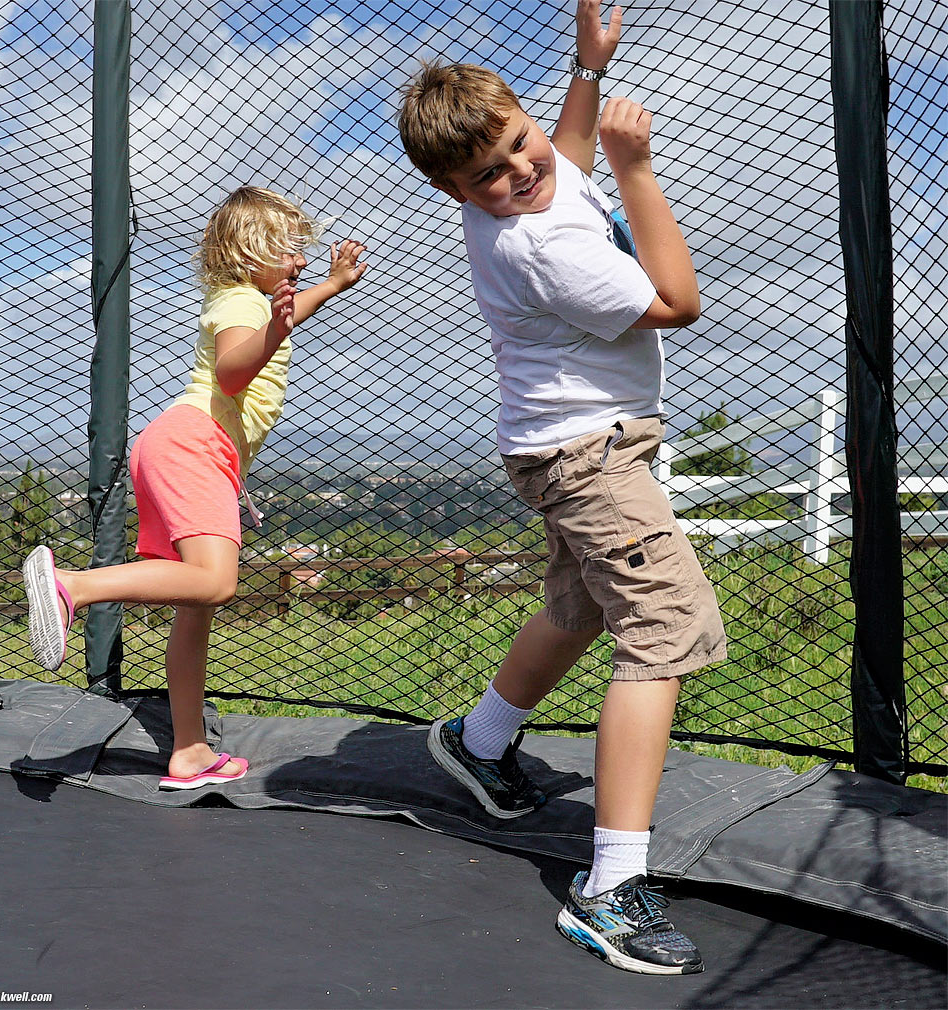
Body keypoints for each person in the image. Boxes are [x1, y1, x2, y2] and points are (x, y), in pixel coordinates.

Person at [397, 0, 725, 976]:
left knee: (577, 604)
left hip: (555, 444)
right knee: (664, 625)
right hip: (590, 458)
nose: (517, 175)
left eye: (517, 145)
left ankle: (479, 738)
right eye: (485, 177)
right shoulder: (543, 245)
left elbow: (563, 157)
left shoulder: (527, 189)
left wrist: (584, 71)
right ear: (452, 190)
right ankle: (610, 885)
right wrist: (640, 170)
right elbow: (676, 301)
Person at [22, 186, 368, 790]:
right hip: (195, 445)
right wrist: (279, 322)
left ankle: (189, 750)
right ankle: (71, 586)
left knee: (195, 607)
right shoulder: (244, 304)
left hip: (176, 446)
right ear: (252, 250)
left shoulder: (245, 299)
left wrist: (330, 290)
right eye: (290, 250)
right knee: (216, 581)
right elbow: (234, 372)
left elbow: (272, 323)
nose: (302, 261)